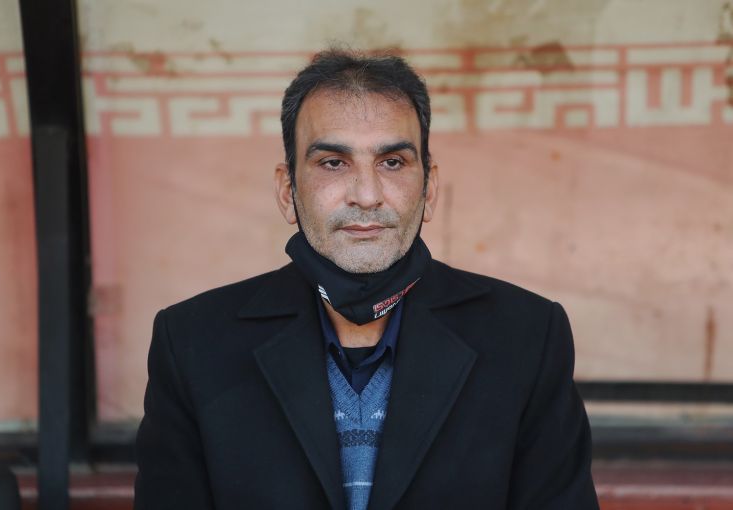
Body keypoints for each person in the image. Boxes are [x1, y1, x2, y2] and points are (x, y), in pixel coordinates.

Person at [134, 49, 600, 510]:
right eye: (333, 162)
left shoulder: (525, 337)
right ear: (287, 190)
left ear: (429, 189)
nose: (366, 195)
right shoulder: (193, 343)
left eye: (392, 162)